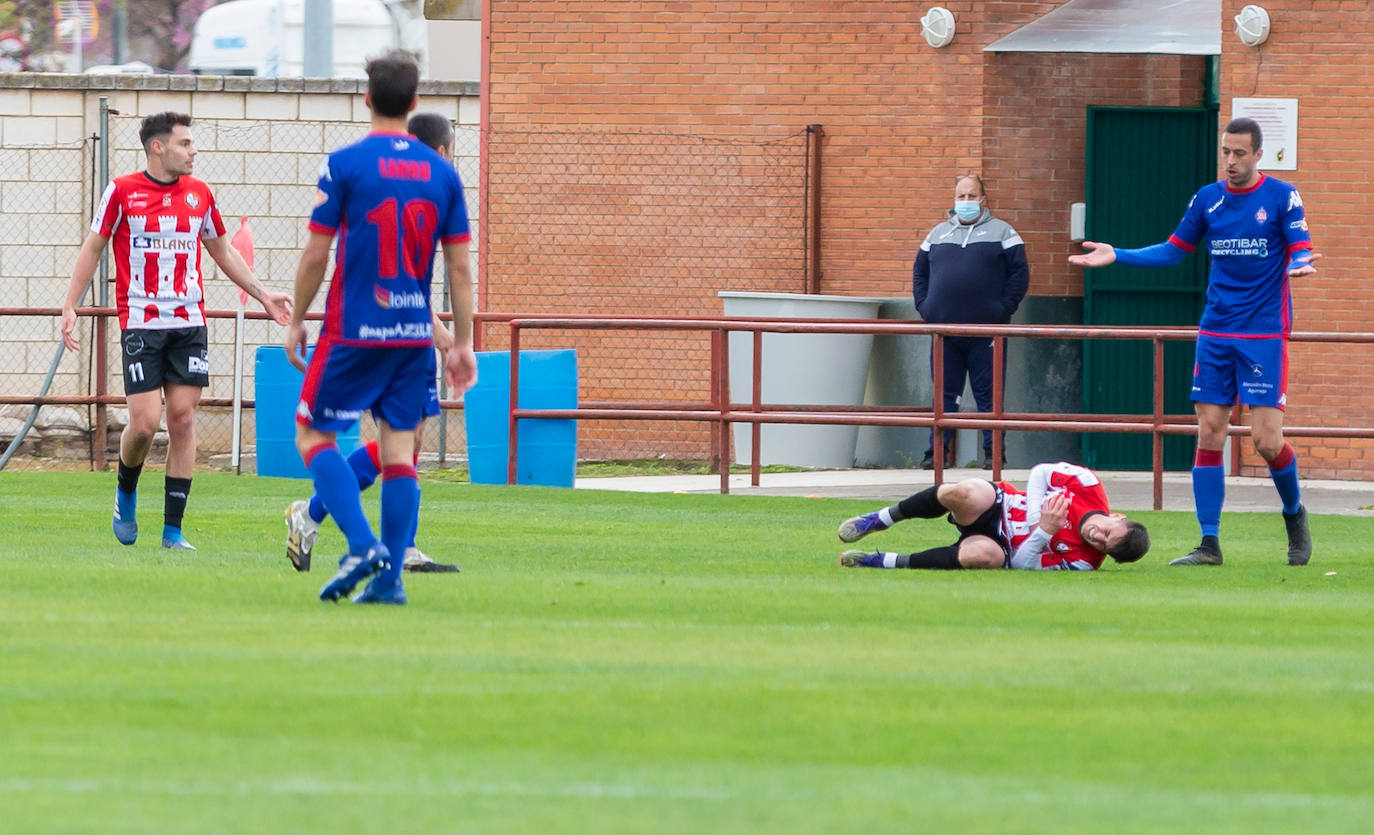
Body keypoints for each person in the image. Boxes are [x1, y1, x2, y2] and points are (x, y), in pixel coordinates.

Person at [1068, 117, 1320, 567]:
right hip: (1216, 331)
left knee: (1265, 440)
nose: (1231, 160)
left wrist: (1301, 263)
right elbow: (1172, 251)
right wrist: (1118, 254)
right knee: (1209, 431)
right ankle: (1209, 543)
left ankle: (1294, 515)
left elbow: (1301, 244)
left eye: (1240, 153)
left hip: (1263, 333)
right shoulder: (1208, 199)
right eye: (1226, 152)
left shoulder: (1282, 196)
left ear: (1258, 155)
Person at [287, 52, 476, 605]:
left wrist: (298, 319)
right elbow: (461, 268)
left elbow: (316, 255)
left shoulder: (344, 164)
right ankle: (390, 581)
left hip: (353, 329)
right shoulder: (444, 174)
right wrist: (461, 342)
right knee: (400, 454)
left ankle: (363, 545)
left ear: (366, 99)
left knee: (312, 436)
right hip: (412, 336)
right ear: (415, 103)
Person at [59, 111, 292, 550]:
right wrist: (71, 303)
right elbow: (93, 247)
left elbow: (222, 250)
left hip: (188, 323)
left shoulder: (200, 194)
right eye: (185, 143)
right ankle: (126, 490)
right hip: (142, 324)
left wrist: (263, 294)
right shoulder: (122, 191)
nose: (194, 151)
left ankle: (172, 531)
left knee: (182, 419)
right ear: (157, 147)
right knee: (144, 425)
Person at [836, 461, 1150, 571]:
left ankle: (881, 561)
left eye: (1103, 546)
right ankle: (880, 519)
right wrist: (1033, 521)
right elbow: (1041, 472)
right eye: (1107, 531)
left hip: (1002, 547)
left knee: (980, 556)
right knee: (961, 492)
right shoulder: (1089, 486)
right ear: (1117, 516)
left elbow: (1020, 565)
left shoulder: (1083, 562)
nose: (1097, 536)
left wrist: (1042, 532)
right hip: (998, 504)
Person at [913, 173, 1028, 470]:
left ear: (983, 200)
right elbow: (920, 273)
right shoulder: (936, 234)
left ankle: (993, 456)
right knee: (944, 395)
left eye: (971, 196)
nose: (965, 201)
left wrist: (1003, 309)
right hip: (944, 331)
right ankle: (936, 455)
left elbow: (1019, 275)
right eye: (960, 196)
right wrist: (926, 308)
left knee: (989, 395)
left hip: (986, 331)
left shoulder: (1004, 232)